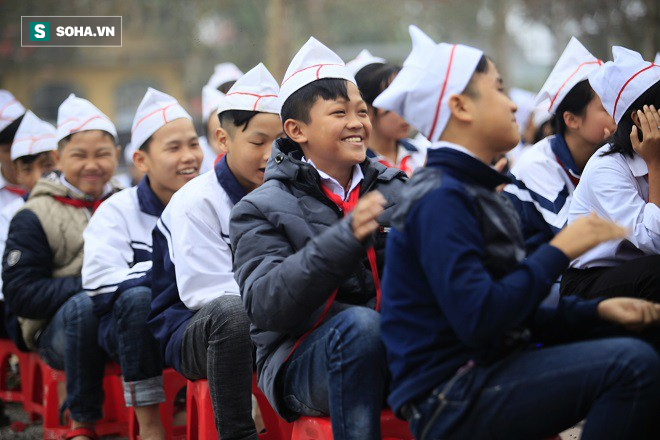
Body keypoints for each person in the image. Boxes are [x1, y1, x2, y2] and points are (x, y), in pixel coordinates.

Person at [375, 27, 660, 440]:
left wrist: (595, 312)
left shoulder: (470, 188)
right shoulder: (440, 198)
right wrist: (558, 251)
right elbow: (482, 319)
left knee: (641, 353)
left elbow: (506, 311)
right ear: (460, 107)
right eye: (499, 89)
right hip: (449, 393)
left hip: (483, 370)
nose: (514, 104)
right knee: (632, 366)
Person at [230, 37, 407, 440]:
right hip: (305, 360)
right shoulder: (258, 208)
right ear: (296, 129)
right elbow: (266, 307)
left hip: (398, 347)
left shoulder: (397, 188)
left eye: (362, 112)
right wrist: (345, 238)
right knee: (361, 328)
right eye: (339, 112)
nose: (357, 123)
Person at [148, 64, 281, 439]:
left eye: (282, 143)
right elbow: (203, 294)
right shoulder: (196, 201)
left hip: (274, 321)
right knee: (231, 312)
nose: (272, 155)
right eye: (258, 143)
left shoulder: (294, 191)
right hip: (196, 331)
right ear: (223, 140)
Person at [83, 88, 203, 439]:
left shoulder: (210, 202)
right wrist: (170, 273)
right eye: (173, 148)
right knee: (136, 301)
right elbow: (100, 285)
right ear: (140, 160)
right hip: (131, 329)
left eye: (193, 144)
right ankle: (150, 425)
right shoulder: (116, 211)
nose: (189, 157)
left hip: (190, 320)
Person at [3, 94, 122, 440]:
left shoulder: (125, 202)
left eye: (101, 154)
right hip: (55, 332)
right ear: (58, 158)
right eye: (79, 155)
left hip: (115, 319)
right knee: (85, 306)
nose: (92, 165)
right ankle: (82, 421)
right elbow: (21, 295)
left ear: (116, 155)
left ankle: (161, 409)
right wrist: (92, 285)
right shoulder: (33, 215)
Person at [561, 47, 660, 302]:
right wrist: (655, 163)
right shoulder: (606, 168)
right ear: (641, 119)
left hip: (636, 271)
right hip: (590, 282)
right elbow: (654, 240)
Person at [504, 37, 616, 252]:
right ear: (571, 120)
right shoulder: (538, 164)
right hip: (530, 275)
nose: (616, 114)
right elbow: (580, 241)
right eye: (606, 106)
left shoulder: (600, 156)